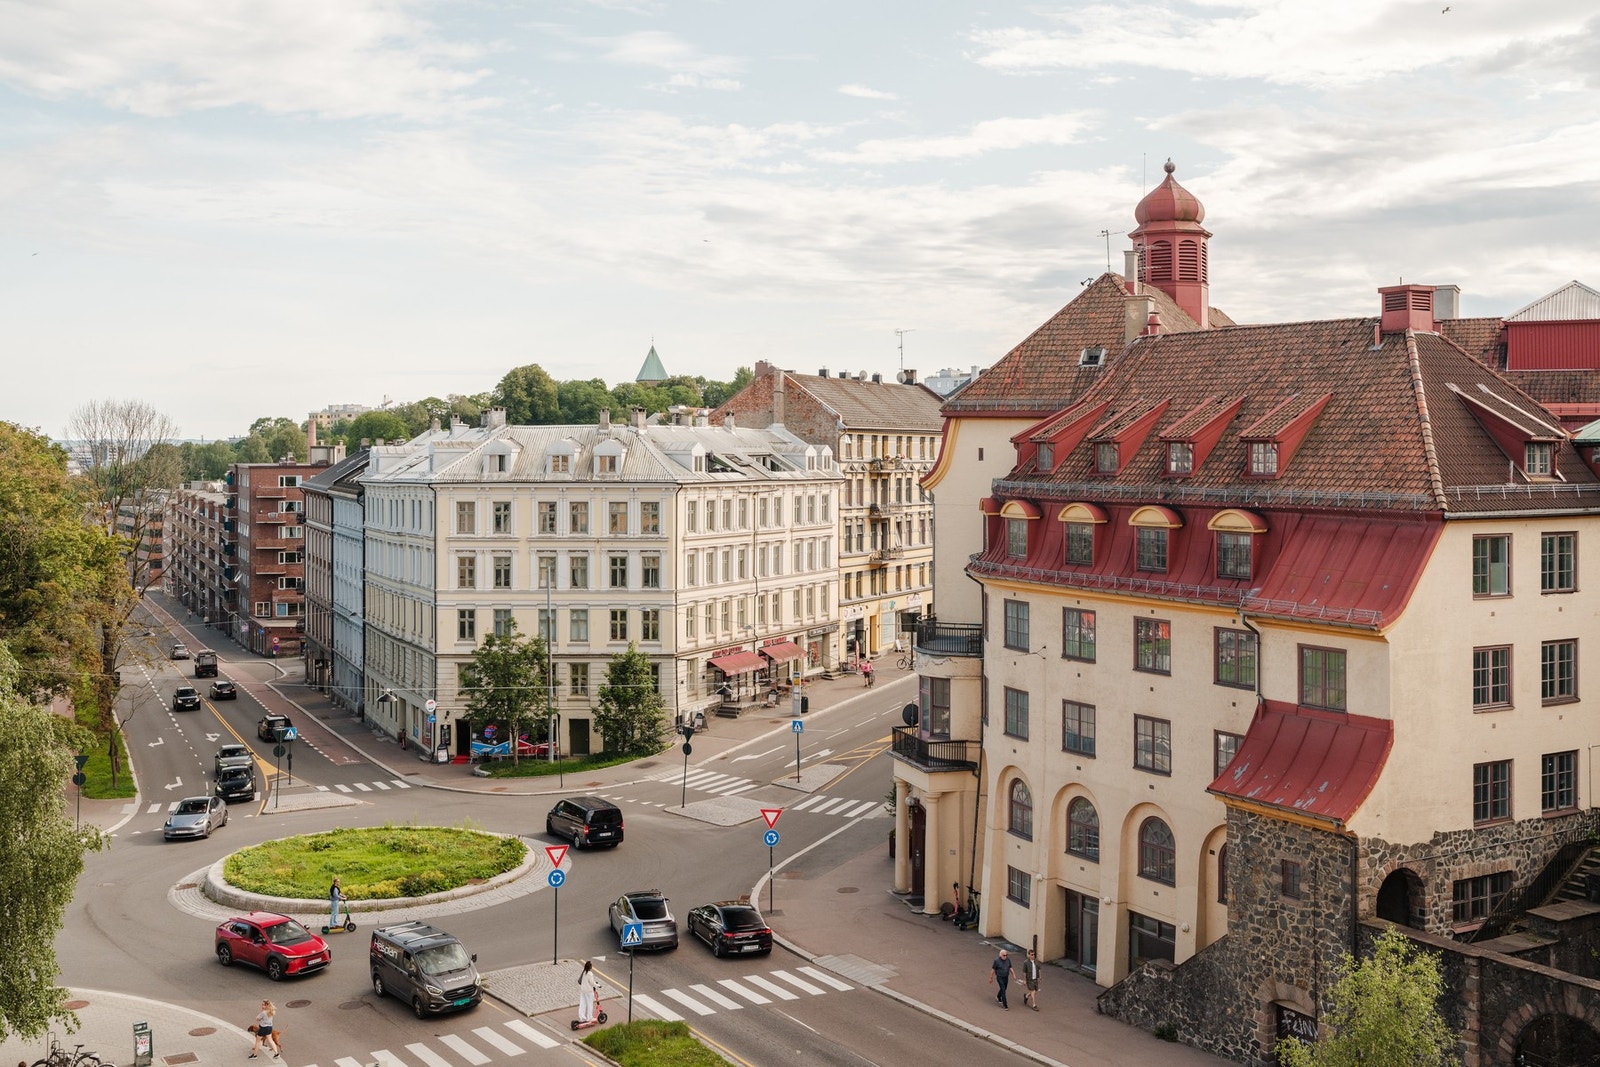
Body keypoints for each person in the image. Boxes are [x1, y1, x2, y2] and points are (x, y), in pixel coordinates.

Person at [577, 960, 602, 1024]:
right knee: (589, 1004)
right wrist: (598, 985)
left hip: (583, 991)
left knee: (582, 1004)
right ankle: (589, 1017)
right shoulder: (590, 974)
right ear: (590, 967)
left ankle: (582, 1018)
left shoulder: (584, 972)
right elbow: (592, 983)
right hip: (588, 991)